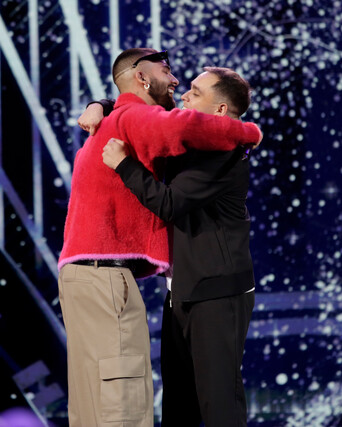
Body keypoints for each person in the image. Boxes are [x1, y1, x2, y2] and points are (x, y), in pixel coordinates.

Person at [58, 49, 261, 427]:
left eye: (196, 93)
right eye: (182, 84)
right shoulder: (187, 138)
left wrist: (124, 164)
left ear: (219, 112)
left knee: (218, 401)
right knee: (179, 403)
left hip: (217, 290)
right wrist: (99, 103)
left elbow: (169, 203)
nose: (184, 92)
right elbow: (134, 108)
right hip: (183, 290)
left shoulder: (224, 150)